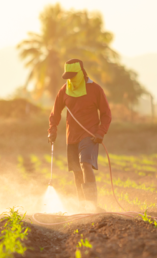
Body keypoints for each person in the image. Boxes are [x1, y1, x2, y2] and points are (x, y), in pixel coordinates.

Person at [48, 59, 112, 213]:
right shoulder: (64, 90)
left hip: (90, 135)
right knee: (76, 171)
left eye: (73, 75)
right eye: (67, 76)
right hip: (72, 137)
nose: (70, 79)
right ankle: (82, 206)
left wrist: (100, 132)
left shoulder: (95, 90)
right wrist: (52, 130)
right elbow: (55, 113)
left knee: (85, 165)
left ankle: (92, 205)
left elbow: (106, 114)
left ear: (81, 73)